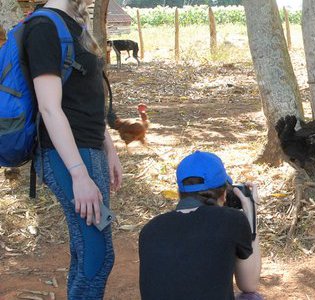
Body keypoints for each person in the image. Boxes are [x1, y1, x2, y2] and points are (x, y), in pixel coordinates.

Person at [26, 0, 123, 298]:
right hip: (68, 156)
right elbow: (50, 107)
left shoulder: (71, 22)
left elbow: (85, 99)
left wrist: (109, 148)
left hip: (87, 151)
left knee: (86, 250)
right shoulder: (43, 27)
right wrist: (79, 175)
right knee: (98, 255)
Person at [138, 151, 263, 300]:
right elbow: (249, 285)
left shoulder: (150, 229)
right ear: (224, 195)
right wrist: (251, 216)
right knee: (251, 297)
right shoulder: (232, 220)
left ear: (180, 192)